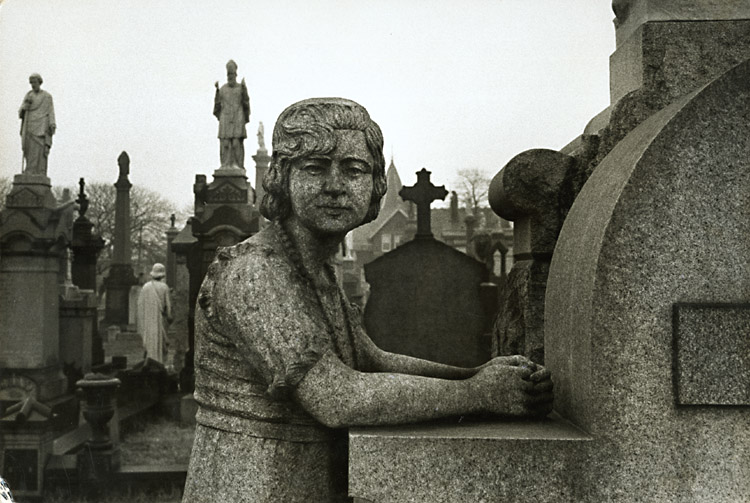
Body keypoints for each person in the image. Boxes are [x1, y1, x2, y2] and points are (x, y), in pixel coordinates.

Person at [182, 98, 553, 502]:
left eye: (354, 170)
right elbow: (335, 397)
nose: (336, 186)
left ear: (376, 184)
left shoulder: (317, 271)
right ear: (282, 179)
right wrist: (479, 394)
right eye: (315, 167)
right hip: (250, 487)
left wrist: (474, 373)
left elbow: (372, 360)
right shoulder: (255, 272)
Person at [214, 59, 250, 168]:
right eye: (228, 74)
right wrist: (216, 92)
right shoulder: (223, 89)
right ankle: (225, 164)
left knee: (235, 143)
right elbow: (217, 106)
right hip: (225, 117)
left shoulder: (240, 88)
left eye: (232, 74)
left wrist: (244, 91)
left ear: (236, 74)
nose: (230, 76)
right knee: (225, 144)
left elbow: (246, 103)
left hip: (237, 117)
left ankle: (237, 164)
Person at [19, 73, 56, 176]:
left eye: (34, 82)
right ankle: (29, 170)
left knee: (40, 149)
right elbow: (21, 112)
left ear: (39, 82)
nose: (33, 85)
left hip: (42, 125)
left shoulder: (47, 96)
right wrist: (24, 107)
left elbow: (50, 111)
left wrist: (52, 123)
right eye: (31, 83)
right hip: (29, 124)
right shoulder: (28, 95)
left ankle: (40, 171)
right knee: (28, 148)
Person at [136, 263, 173, 365]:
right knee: (161, 344)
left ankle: (150, 362)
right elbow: (168, 307)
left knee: (150, 342)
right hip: (161, 320)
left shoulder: (145, 287)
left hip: (148, 320)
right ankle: (159, 365)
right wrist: (169, 318)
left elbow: (140, 305)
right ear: (162, 275)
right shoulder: (164, 287)